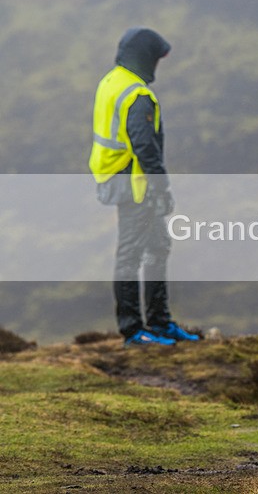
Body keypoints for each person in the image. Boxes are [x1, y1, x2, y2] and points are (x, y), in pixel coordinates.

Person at [89, 27, 199, 346]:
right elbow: (144, 147)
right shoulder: (136, 94)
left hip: (118, 179)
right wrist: (162, 189)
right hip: (136, 186)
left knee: (157, 247)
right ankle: (133, 330)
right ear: (145, 57)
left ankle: (160, 323)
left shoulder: (111, 81)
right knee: (131, 254)